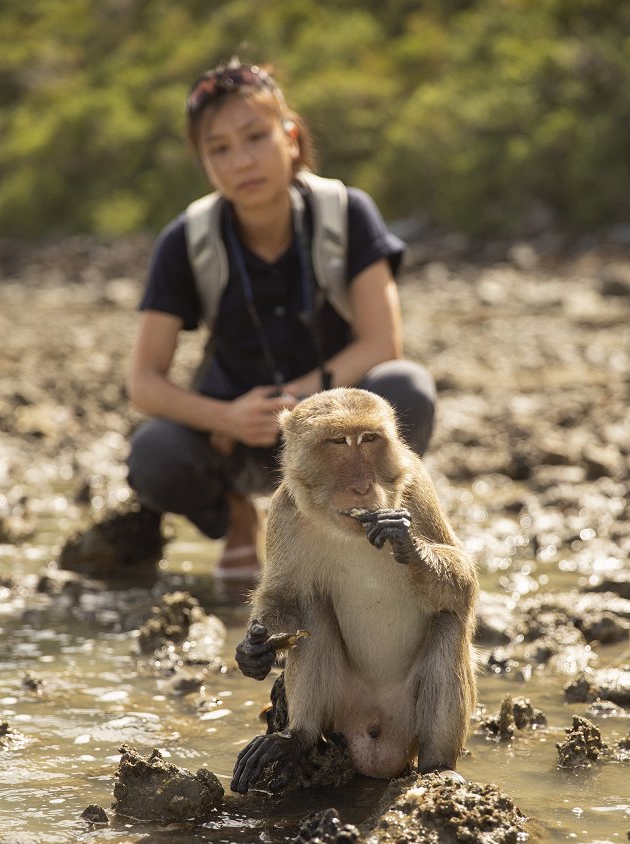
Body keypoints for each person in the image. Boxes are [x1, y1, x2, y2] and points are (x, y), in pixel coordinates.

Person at [126, 58, 436, 581]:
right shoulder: (187, 239)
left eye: (255, 137)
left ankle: (363, 521)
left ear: (290, 137)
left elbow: (383, 343)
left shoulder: (345, 213)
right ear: (203, 162)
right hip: (235, 437)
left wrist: (299, 405)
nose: (240, 161)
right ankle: (236, 517)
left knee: (407, 386)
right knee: (154, 453)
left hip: (337, 434)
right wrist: (224, 417)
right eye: (218, 149)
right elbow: (143, 382)